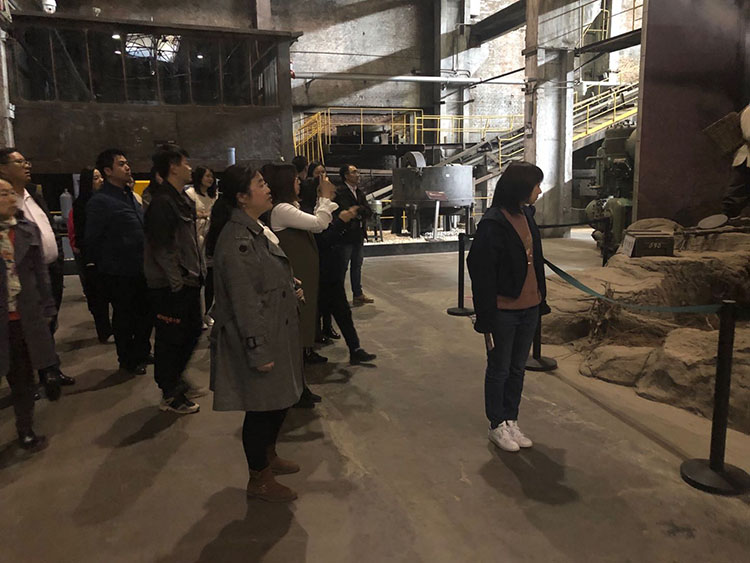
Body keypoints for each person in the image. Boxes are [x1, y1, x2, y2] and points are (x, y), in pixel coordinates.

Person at [208, 165, 304, 503]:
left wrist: (288, 284)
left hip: (276, 328)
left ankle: (269, 455)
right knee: (262, 408)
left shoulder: (255, 229)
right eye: (260, 184)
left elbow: (264, 275)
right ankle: (258, 478)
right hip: (261, 334)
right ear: (242, 197)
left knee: (277, 402)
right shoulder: (238, 240)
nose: (267, 188)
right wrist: (258, 349)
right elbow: (245, 300)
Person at [467, 161, 547, 453]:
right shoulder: (493, 223)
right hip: (504, 310)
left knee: (517, 369)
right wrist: (485, 314)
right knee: (499, 369)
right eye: (536, 185)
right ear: (521, 188)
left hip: (530, 307)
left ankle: (511, 419)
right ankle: (496, 424)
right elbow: (480, 270)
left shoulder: (527, 214)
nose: (539, 191)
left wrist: (540, 298)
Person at [0, 148, 74, 387]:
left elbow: (47, 227)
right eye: (19, 162)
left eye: (26, 161)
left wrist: (58, 254)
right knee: (22, 331)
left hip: (50, 269)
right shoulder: (6, 203)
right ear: (3, 169)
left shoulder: (33, 194)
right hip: (23, 276)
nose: (27, 166)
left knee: (48, 323)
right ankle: (26, 379)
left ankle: (48, 369)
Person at [0, 179, 61, 451]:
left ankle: (25, 428)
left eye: (10, 193)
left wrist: (47, 307)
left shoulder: (26, 231)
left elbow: (41, 274)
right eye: (3, 194)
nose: (10, 198)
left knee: (23, 378)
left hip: (24, 315)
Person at [144, 144, 206, 414]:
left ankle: (175, 380)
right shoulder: (162, 202)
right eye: (185, 163)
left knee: (191, 332)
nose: (190, 168)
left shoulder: (179, 199)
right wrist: (177, 281)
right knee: (172, 339)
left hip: (187, 280)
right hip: (171, 285)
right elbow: (162, 248)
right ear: (173, 166)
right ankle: (170, 393)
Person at [86, 149, 152, 375]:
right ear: (108, 170)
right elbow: (92, 239)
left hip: (141, 266)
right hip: (119, 271)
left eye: (127, 163)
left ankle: (143, 351)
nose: (127, 167)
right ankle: (127, 359)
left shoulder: (129, 195)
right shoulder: (101, 201)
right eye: (121, 164)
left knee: (144, 314)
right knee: (125, 317)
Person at [303, 178, 378, 366]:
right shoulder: (310, 212)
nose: (333, 188)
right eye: (327, 184)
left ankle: (355, 349)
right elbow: (323, 239)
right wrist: (341, 222)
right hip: (320, 270)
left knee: (342, 311)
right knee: (317, 311)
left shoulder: (330, 205)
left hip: (331, 270)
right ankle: (308, 350)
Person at [268, 163, 337, 365]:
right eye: (296, 180)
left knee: (307, 309)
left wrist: (321, 199)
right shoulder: (282, 209)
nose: (299, 183)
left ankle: (306, 347)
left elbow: (315, 222)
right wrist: (325, 198)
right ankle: (300, 351)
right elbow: (319, 223)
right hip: (297, 267)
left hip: (304, 266)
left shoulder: (291, 207)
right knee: (300, 309)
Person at [69, 167, 112, 343]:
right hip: (92, 258)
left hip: (109, 256)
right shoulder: (81, 204)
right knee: (98, 297)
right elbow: (81, 234)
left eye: (101, 177)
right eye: (96, 178)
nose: (100, 180)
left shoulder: (106, 200)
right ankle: (104, 331)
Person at [335, 164, 374, 306]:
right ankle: (338, 297)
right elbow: (345, 210)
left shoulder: (359, 192)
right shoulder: (340, 192)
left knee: (357, 265)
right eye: (354, 172)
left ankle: (358, 294)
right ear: (346, 176)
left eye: (358, 171)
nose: (358, 174)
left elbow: (367, 211)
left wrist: (357, 211)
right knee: (342, 267)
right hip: (346, 236)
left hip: (358, 234)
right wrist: (357, 212)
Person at [185, 166, 218, 327]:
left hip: (210, 239)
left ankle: (207, 313)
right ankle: (198, 314)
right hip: (196, 239)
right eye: (207, 176)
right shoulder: (190, 194)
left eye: (211, 176)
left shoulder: (214, 195)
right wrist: (202, 215)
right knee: (199, 279)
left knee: (211, 279)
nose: (210, 179)